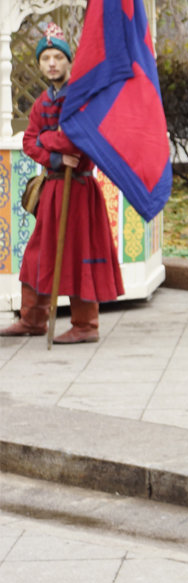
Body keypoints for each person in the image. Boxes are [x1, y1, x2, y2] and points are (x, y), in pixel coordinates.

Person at [1, 23, 123, 343]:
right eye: (46, 58)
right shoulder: (42, 102)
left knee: (79, 254)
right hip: (53, 188)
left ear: (69, 62)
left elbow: (79, 139)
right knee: (38, 254)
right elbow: (30, 141)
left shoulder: (80, 98)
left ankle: (86, 326)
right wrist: (54, 156)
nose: (52, 63)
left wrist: (50, 140)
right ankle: (33, 319)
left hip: (79, 190)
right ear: (40, 64)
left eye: (58, 57)